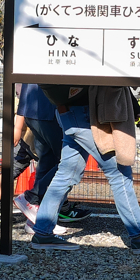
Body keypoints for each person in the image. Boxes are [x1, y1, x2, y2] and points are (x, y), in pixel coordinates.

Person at [29, 84, 140, 253]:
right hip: (88, 115)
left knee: (66, 174)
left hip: (68, 113)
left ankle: (42, 232)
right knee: (120, 174)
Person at [13, 83, 91, 229]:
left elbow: (24, 86)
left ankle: (36, 221)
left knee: (47, 161)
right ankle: (31, 198)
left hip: (31, 111)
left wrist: (19, 122)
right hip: (50, 109)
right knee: (67, 162)